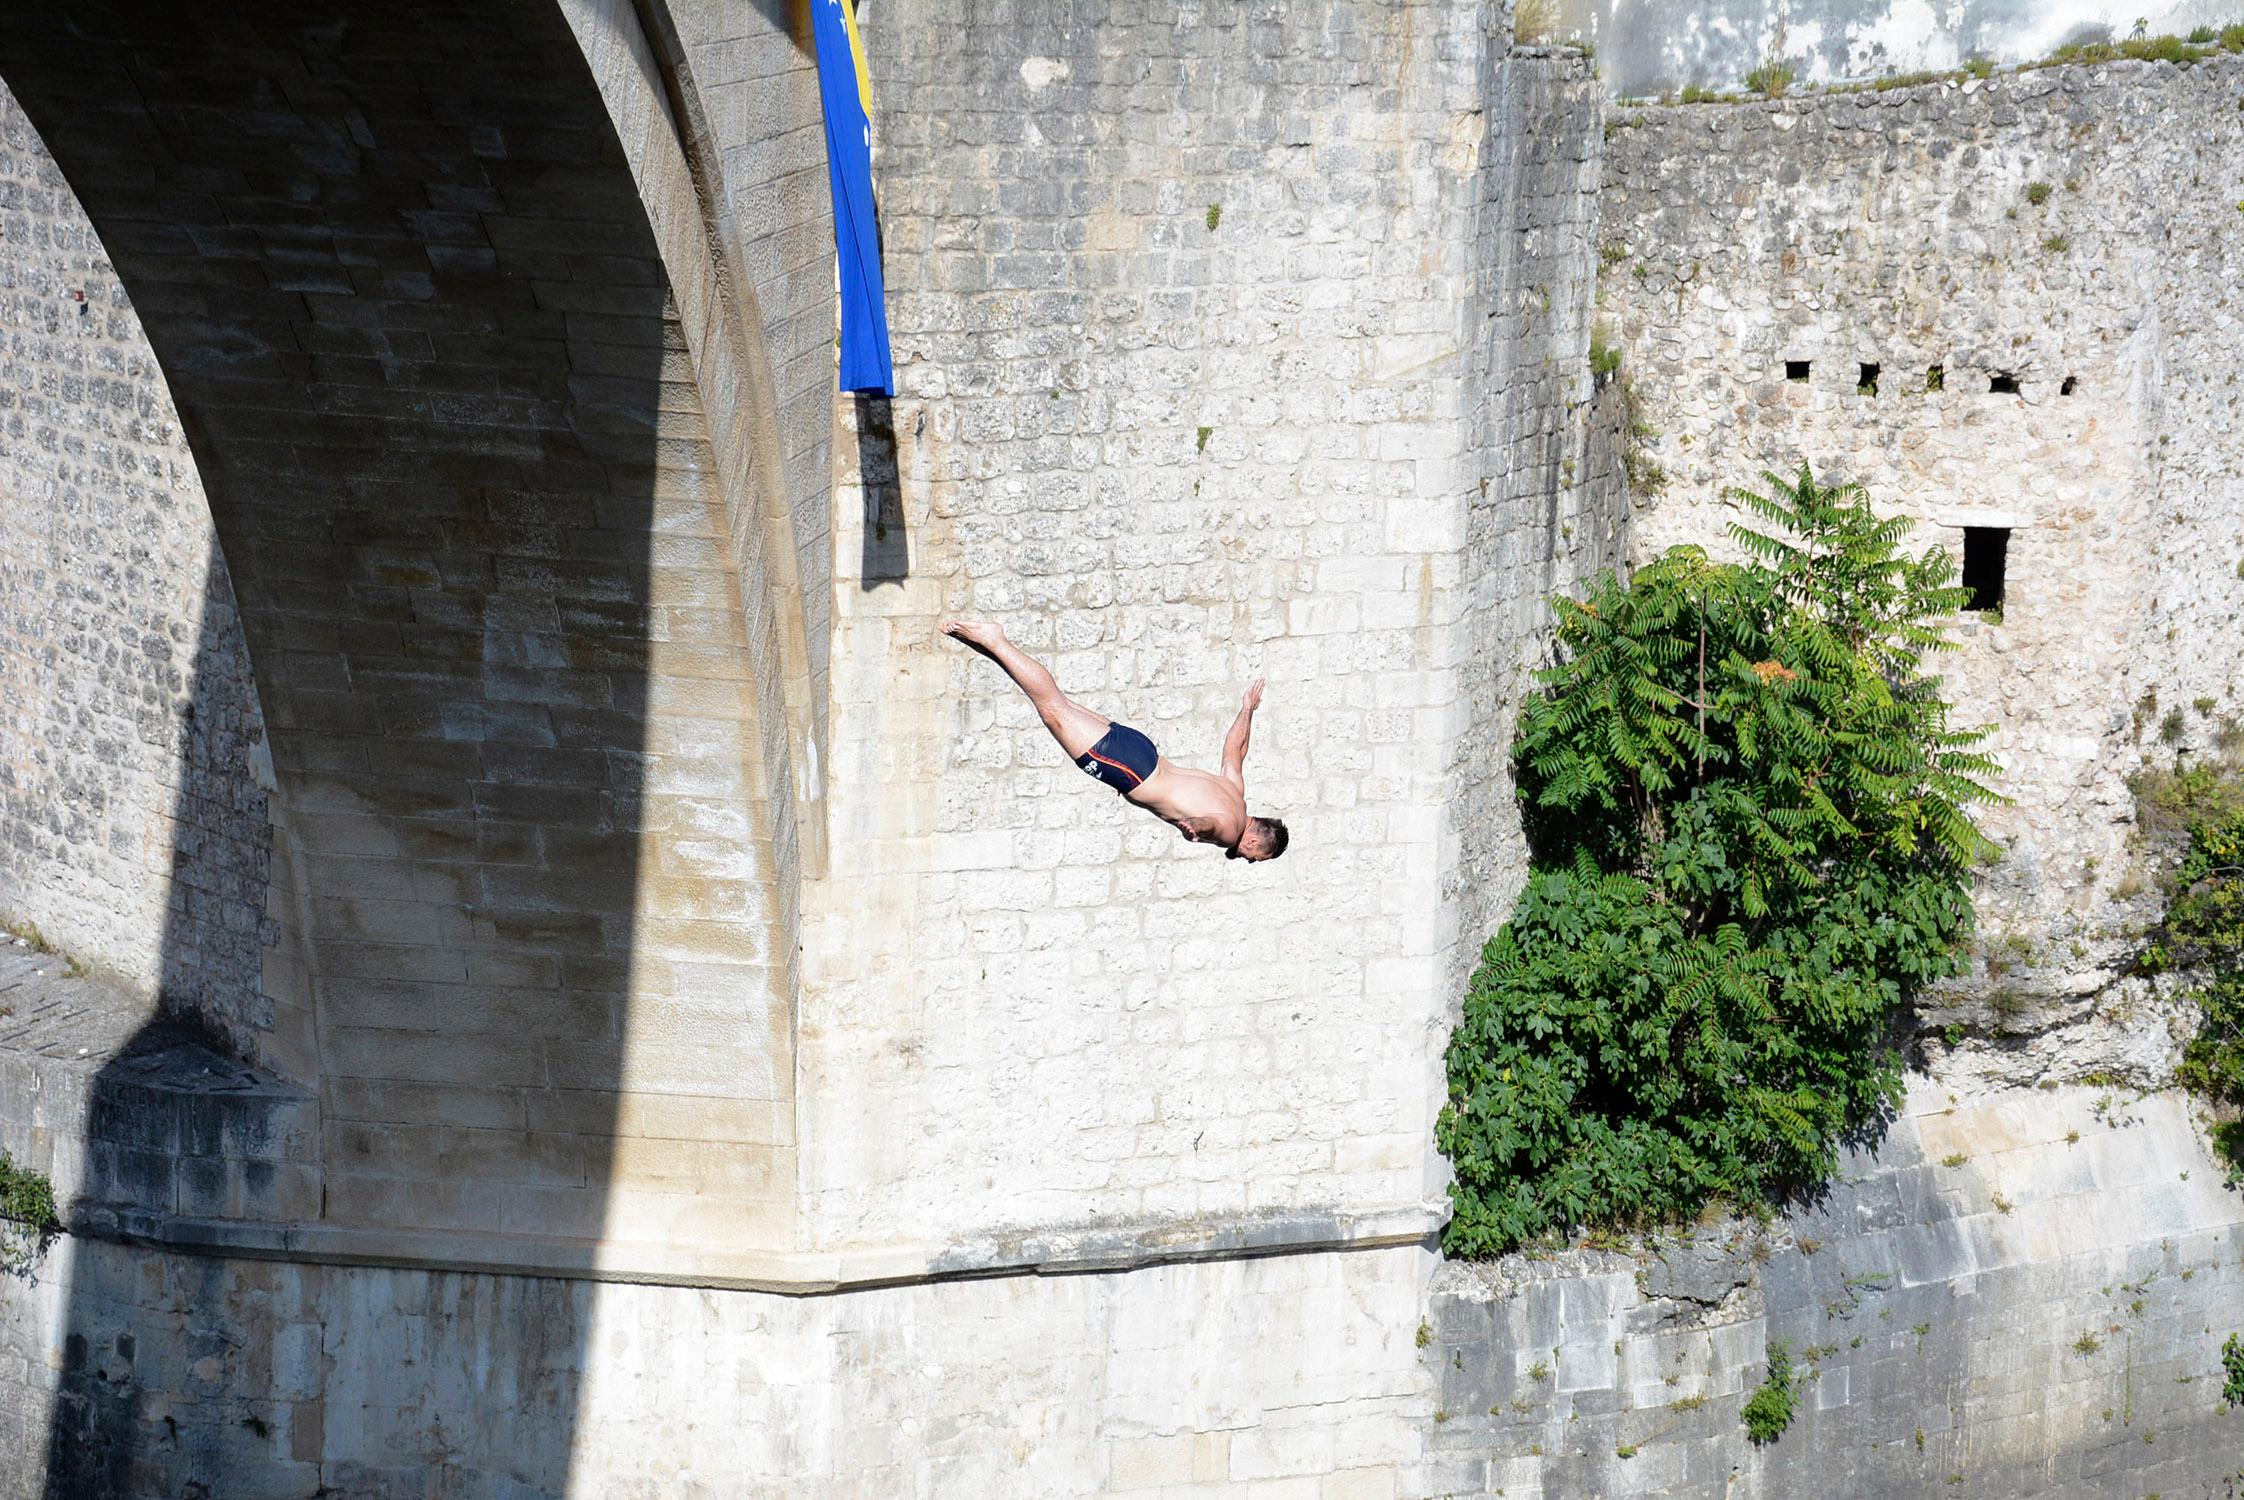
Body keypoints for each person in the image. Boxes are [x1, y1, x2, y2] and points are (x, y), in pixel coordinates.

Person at [941, 620, 1289, 862]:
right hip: (1130, 772)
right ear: (1256, 841)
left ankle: (987, 645)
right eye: (1257, 857)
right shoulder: (1230, 831)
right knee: (1052, 709)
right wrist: (1194, 828)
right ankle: (996, 639)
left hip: (1142, 751)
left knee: (1054, 702)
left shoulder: (1236, 793)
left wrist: (1247, 710)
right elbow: (1214, 826)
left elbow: (1235, 750)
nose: (1250, 860)